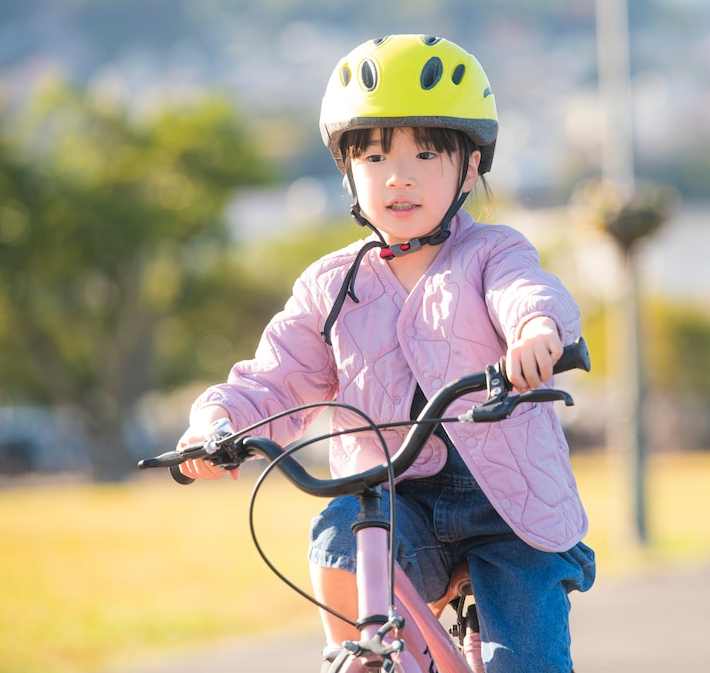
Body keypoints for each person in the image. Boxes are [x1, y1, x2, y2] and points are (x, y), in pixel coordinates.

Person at [176, 34, 595, 672]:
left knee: (525, 661)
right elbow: (275, 377)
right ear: (348, 170)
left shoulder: (491, 252)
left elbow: (527, 292)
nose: (398, 176)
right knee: (340, 532)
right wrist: (217, 425)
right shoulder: (331, 284)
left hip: (510, 508)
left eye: (426, 153)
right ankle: (362, 651)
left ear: (471, 166)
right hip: (396, 500)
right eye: (374, 157)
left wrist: (537, 333)